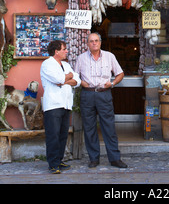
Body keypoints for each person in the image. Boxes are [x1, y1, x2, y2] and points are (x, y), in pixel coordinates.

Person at [74, 32, 127, 169]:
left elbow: (120, 73)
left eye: (96, 40)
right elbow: (75, 76)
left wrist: (113, 83)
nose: (94, 43)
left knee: (108, 126)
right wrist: (81, 82)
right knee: (89, 127)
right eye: (91, 41)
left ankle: (114, 158)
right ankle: (94, 158)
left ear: (100, 42)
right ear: (87, 44)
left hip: (104, 94)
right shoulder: (81, 58)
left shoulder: (109, 56)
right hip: (88, 94)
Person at [40, 40, 81, 174]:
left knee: (63, 135)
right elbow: (58, 80)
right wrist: (67, 78)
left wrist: (66, 79)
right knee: (53, 135)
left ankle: (59, 160)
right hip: (53, 105)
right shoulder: (47, 64)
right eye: (64, 49)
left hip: (66, 104)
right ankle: (53, 164)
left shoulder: (66, 64)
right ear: (56, 51)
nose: (66, 51)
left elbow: (77, 80)